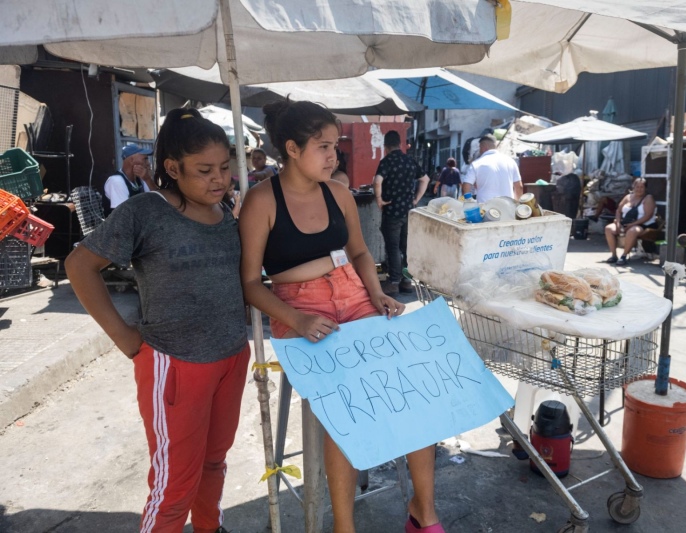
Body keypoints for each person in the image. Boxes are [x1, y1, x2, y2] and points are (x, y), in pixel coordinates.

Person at [238, 100, 443, 533]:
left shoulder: (338, 193)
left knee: (416, 389)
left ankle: (423, 512)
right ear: (292, 149)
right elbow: (252, 284)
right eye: (324, 146)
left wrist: (378, 293)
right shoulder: (262, 200)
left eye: (335, 146)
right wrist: (296, 320)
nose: (334, 156)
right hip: (299, 308)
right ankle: (343, 527)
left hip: (354, 294)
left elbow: (361, 252)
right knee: (342, 409)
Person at [65, 108, 249, 533]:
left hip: (231, 357)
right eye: (204, 170)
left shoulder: (225, 211)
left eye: (223, 167)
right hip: (174, 363)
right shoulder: (146, 210)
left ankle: (210, 527)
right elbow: (79, 266)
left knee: (214, 463)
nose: (219, 179)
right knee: (173, 487)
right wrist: (126, 339)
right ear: (172, 168)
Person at [373, 130, 430, 296]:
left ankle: (393, 282)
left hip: (391, 212)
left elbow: (377, 181)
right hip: (407, 211)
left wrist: (379, 200)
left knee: (393, 248)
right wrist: (416, 199)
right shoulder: (410, 160)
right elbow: (425, 179)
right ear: (400, 144)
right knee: (406, 248)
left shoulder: (387, 161)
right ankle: (406, 281)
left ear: (386, 146)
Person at [604, 177, 657, 266]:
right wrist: (617, 223)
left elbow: (648, 215)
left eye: (642, 187)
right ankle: (613, 255)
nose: (639, 189)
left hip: (642, 224)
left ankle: (624, 256)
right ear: (633, 186)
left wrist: (632, 224)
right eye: (637, 187)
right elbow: (618, 211)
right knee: (608, 228)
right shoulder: (628, 197)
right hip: (625, 222)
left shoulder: (648, 198)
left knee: (632, 231)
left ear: (645, 188)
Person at [461, 134, 522, 202]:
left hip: (485, 209)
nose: (479, 151)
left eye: (480, 147)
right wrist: (516, 204)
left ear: (484, 147)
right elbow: (519, 187)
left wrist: (469, 202)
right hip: (507, 207)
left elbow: (466, 187)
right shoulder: (511, 162)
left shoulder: (476, 164)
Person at [102, 143, 155, 215]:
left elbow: (158, 199)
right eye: (145, 159)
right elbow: (124, 215)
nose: (148, 163)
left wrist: (148, 179)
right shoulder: (116, 181)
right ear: (131, 160)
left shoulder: (141, 179)